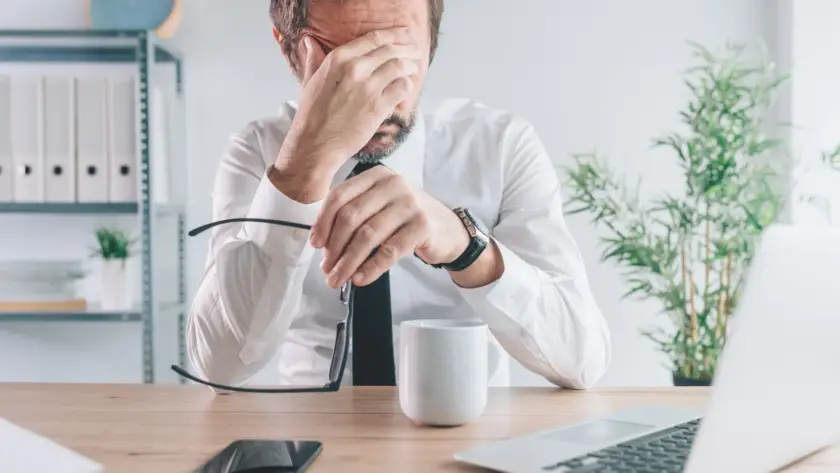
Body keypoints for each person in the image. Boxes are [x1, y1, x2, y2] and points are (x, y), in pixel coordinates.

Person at [186, 0, 611, 390]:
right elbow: (219, 366)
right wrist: (301, 169)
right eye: (342, 63)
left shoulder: (500, 147)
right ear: (288, 50)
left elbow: (582, 359)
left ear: (432, 41)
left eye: (398, 52)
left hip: (464, 438)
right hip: (311, 435)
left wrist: (466, 246)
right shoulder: (259, 152)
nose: (378, 93)